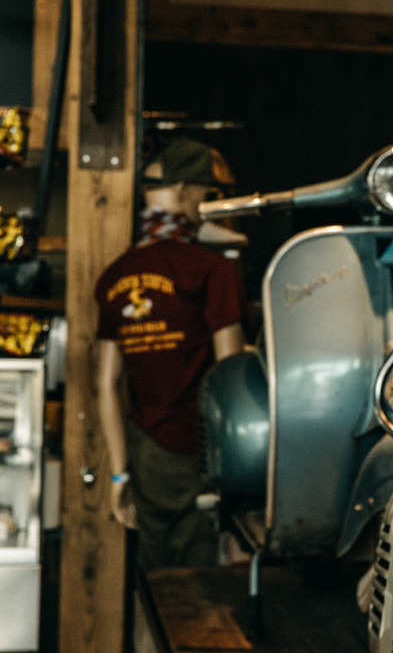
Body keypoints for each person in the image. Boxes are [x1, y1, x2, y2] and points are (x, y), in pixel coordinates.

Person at [94, 137, 248, 570]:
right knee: (201, 591)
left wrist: (120, 473)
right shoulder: (210, 270)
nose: (205, 204)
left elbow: (106, 383)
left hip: (143, 458)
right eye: (203, 194)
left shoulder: (115, 275)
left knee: (155, 584)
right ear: (183, 191)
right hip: (197, 455)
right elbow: (230, 377)